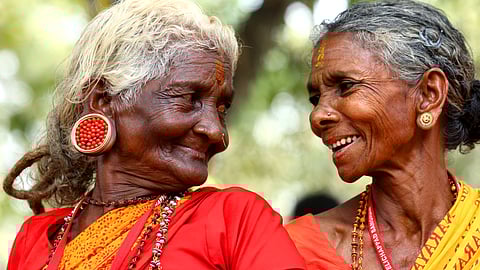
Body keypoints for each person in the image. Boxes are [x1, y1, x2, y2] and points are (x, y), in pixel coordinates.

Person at [3, 0, 307, 269]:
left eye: (223, 109)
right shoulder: (37, 238)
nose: (216, 131)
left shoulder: (235, 221)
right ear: (104, 101)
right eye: (189, 98)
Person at [285, 0, 480, 269]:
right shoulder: (298, 249)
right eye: (315, 99)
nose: (317, 116)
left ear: (429, 95)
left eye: (346, 86)